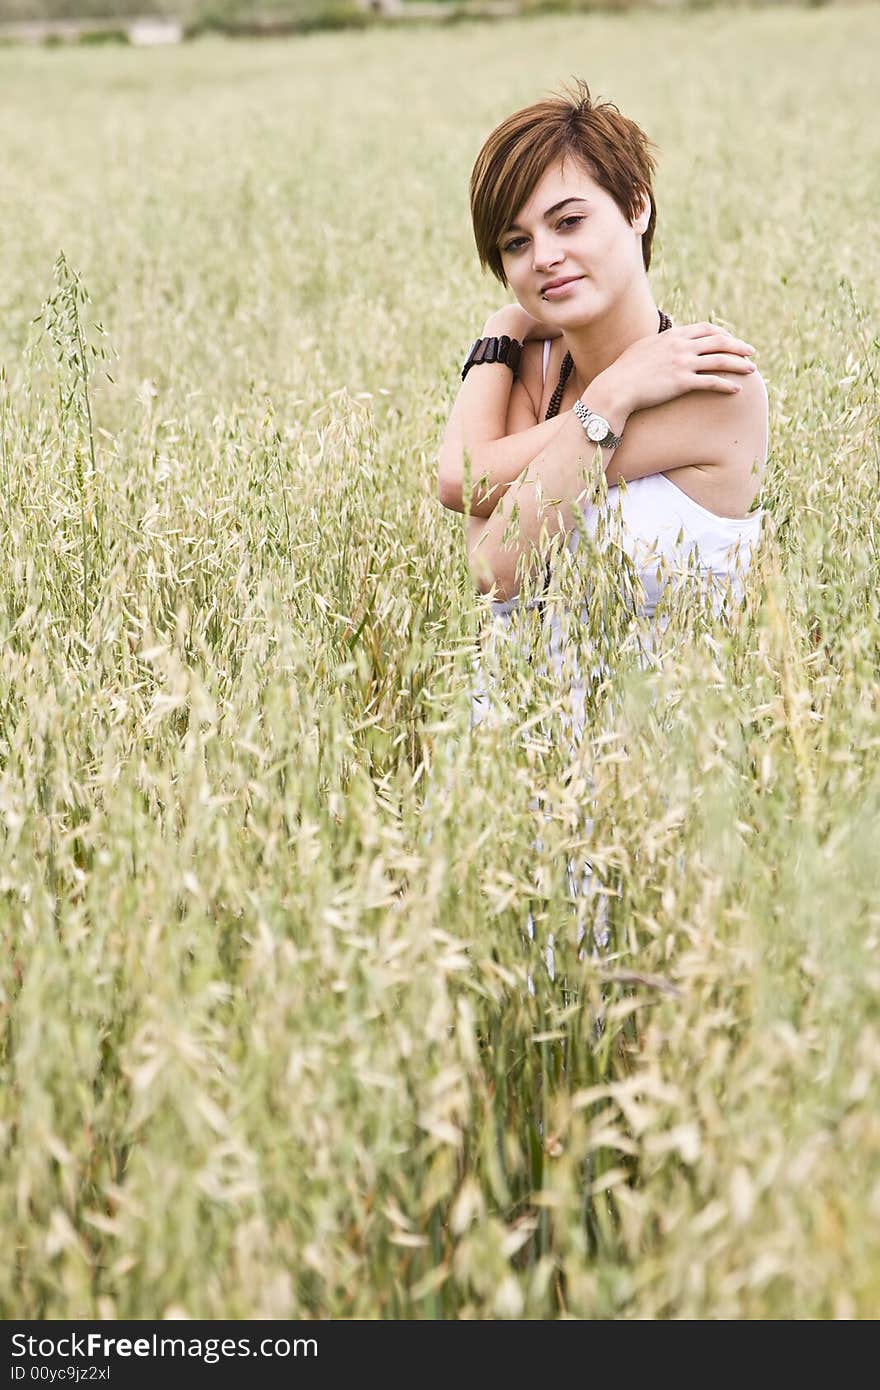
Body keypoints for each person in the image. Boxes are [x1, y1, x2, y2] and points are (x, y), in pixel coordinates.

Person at [436, 80, 768, 988]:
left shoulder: (714, 382)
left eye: (569, 221)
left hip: (642, 795)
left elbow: (498, 560)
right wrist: (546, 358)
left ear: (637, 207)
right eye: (515, 242)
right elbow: (456, 478)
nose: (543, 257)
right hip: (510, 761)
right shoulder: (529, 355)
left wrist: (608, 399)